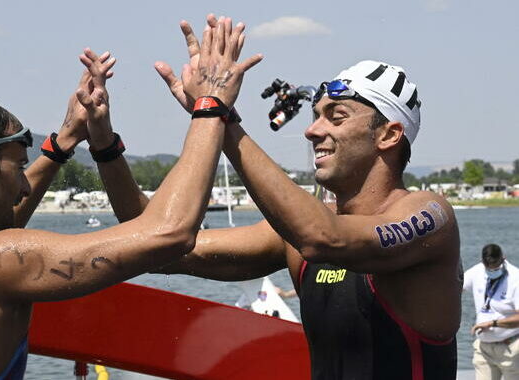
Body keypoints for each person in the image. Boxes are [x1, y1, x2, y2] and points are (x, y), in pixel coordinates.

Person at [0, 21, 259, 379]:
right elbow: (169, 233)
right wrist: (211, 106)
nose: (25, 187)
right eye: (16, 168)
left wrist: (65, 140)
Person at [98, 14, 461, 379]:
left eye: (336, 116)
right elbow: (153, 241)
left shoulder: (431, 217)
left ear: (388, 135)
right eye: (316, 115)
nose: (311, 130)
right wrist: (104, 146)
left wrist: (219, 114)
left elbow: (325, 237)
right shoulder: (296, 236)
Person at [464, 244, 519, 379]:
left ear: (503, 259)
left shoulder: (515, 278)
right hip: (484, 348)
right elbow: (455, 287)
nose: (493, 270)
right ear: (482, 262)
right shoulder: (477, 271)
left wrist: (492, 323)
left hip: (512, 348)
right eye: (489, 267)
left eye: (496, 266)